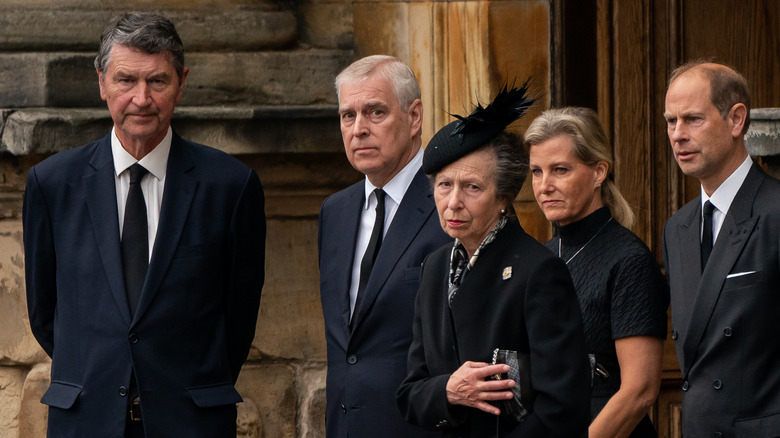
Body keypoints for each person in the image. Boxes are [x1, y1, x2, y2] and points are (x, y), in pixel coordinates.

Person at [23, 12, 265, 438]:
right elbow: (45, 313)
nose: (141, 98)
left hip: (190, 422)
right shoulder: (52, 184)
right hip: (86, 421)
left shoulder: (231, 186)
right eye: (125, 80)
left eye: (157, 81)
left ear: (181, 82)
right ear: (101, 83)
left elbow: (238, 316)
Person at [396, 85, 591, 437]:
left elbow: (563, 407)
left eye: (472, 187)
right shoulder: (435, 268)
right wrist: (448, 391)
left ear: (503, 196)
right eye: (444, 185)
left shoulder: (539, 271)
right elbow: (410, 393)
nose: (453, 202)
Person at [318, 55, 451, 438]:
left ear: (414, 117)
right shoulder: (335, 212)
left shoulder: (453, 204)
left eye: (375, 112)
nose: (359, 129)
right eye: (348, 115)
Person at [525, 107, 669, 437]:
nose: (544, 185)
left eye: (560, 170)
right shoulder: (540, 257)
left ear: (598, 172)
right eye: (536, 171)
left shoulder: (628, 260)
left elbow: (639, 391)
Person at [662, 60, 780, 437]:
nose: (678, 134)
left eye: (693, 119)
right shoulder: (676, 228)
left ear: (736, 120)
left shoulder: (776, 212)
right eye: (670, 121)